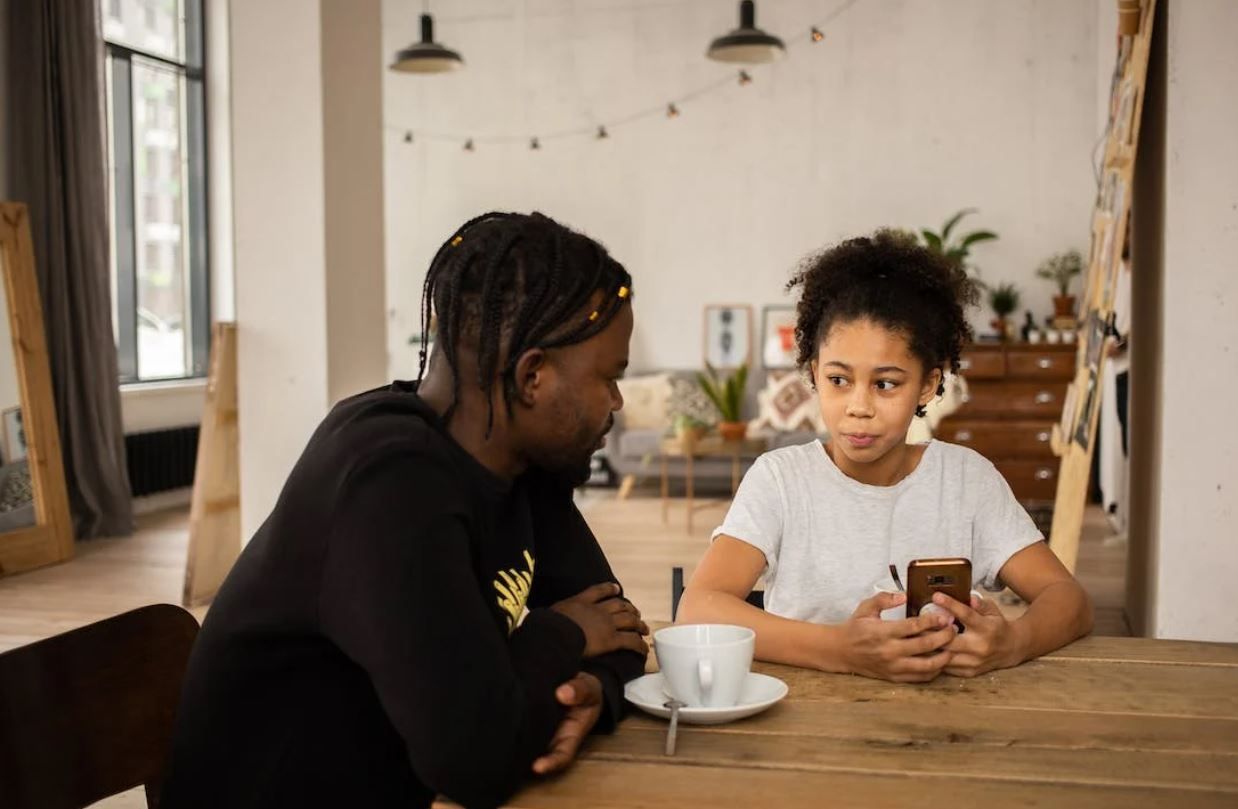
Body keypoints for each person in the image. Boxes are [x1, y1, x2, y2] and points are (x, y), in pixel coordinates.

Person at [161, 212, 649, 809]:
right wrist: (565, 634)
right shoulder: (389, 479)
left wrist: (592, 690)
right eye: (611, 378)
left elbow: (620, 628)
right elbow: (477, 760)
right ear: (533, 377)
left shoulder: (523, 461)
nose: (618, 402)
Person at [678, 231, 1092, 683]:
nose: (859, 406)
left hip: (940, 734)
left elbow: (1068, 598)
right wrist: (842, 649)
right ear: (815, 373)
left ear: (929, 385)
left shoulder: (966, 480)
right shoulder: (780, 480)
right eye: (838, 380)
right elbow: (698, 607)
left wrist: (1014, 642)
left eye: (886, 383)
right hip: (802, 731)